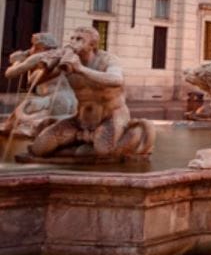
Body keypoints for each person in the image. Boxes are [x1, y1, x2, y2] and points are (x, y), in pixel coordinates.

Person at [29, 25, 153, 159]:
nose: (73, 42)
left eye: (79, 39)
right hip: (80, 121)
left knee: (103, 150)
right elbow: (33, 82)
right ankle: (80, 146)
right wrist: (48, 67)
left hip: (111, 117)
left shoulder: (107, 59)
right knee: (39, 148)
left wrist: (80, 69)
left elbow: (116, 80)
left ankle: (134, 134)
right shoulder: (68, 61)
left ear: (92, 44)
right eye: (72, 38)